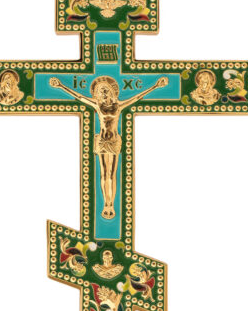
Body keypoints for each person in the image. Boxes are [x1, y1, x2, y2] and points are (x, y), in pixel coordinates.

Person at [49, 75, 168, 219]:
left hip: (114, 142)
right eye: (100, 91)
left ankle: (111, 205)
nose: (103, 93)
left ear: (111, 90)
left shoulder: (118, 106)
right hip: (102, 142)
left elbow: (137, 98)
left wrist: (155, 86)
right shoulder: (98, 106)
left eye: (105, 89)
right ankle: (106, 204)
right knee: (104, 174)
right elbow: (79, 97)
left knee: (112, 174)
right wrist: (61, 86)